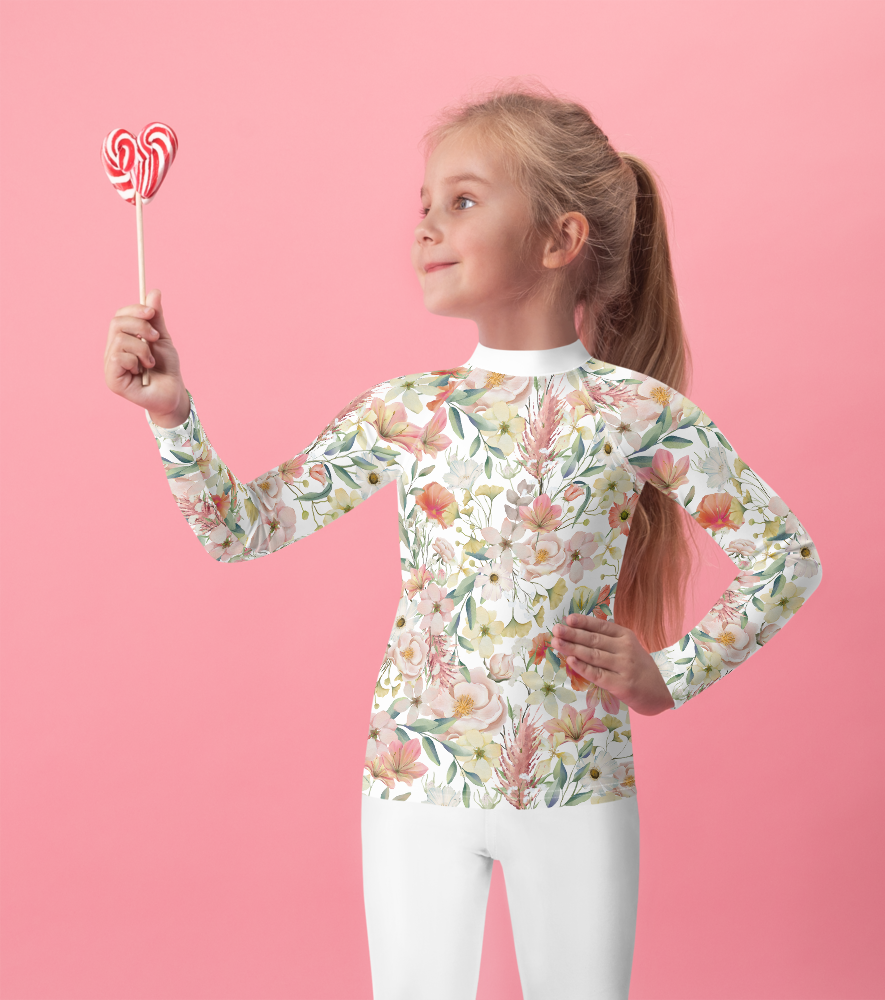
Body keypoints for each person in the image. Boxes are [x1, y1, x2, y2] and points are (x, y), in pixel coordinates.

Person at [104, 82, 822, 1000]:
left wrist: (670, 675)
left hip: (576, 784)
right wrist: (172, 416)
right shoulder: (408, 412)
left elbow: (786, 558)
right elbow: (241, 531)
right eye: (425, 205)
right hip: (412, 786)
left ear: (560, 240)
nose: (426, 228)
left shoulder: (639, 413)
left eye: (463, 201)